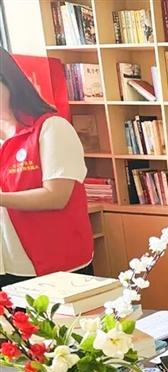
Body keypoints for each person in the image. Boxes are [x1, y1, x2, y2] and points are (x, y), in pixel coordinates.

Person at [0, 48, 92, 289]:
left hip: (51, 261)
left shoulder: (51, 127)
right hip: (5, 260)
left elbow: (56, 196)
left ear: (8, 83)